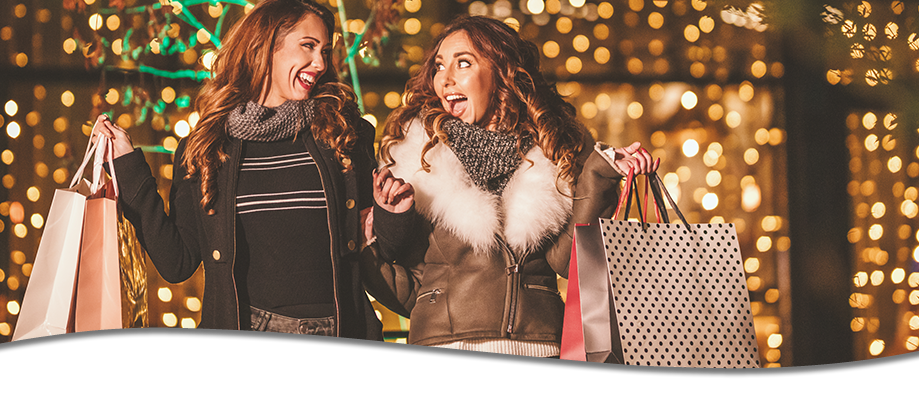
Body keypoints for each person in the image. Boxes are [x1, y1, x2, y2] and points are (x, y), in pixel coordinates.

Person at [90, 0, 392, 369]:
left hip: (343, 345)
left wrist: (394, 213)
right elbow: (177, 262)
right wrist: (129, 168)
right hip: (251, 350)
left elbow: (382, 238)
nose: (321, 63)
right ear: (266, 46)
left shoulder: (344, 135)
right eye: (308, 46)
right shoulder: (205, 148)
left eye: (325, 51)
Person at [364, 15, 657, 369]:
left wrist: (600, 174)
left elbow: (568, 263)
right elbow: (407, 271)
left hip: (540, 351)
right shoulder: (417, 160)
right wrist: (388, 217)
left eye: (463, 63)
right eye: (440, 66)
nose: (446, 77)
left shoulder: (554, 153)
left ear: (502, 73)